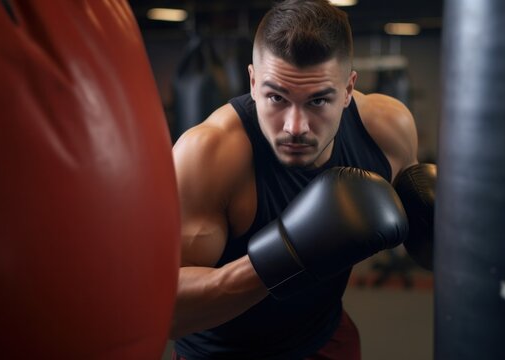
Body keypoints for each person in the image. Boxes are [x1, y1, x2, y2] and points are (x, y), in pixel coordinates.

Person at [170, 0, 436, 358]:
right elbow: (166, 312)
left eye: (318, 101)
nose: (295, 127)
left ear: (348, 89)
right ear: (252, 82)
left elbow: (419, 223)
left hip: (324, 338)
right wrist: (287, 254)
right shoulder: (208, 154)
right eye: (276, 97)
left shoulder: (386, 129)